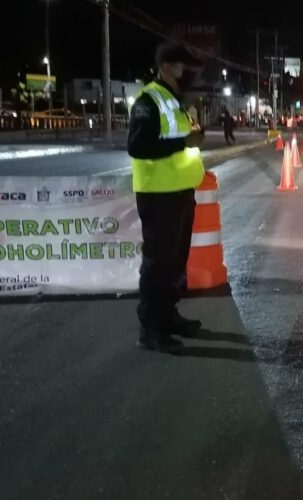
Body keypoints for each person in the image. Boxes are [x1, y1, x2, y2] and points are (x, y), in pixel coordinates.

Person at [127, 42, 207, 353]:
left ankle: (168, 316)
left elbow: (178, 140)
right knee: (158, 264)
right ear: (166, 67)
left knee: (175, 263)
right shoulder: (149, 100)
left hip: (180, 192)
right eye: (183, 65)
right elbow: (138, 146)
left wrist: (191, 139)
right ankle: (151, 329)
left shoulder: (176, 101)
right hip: (158, 195)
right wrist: (184, 141)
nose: (189, 71)